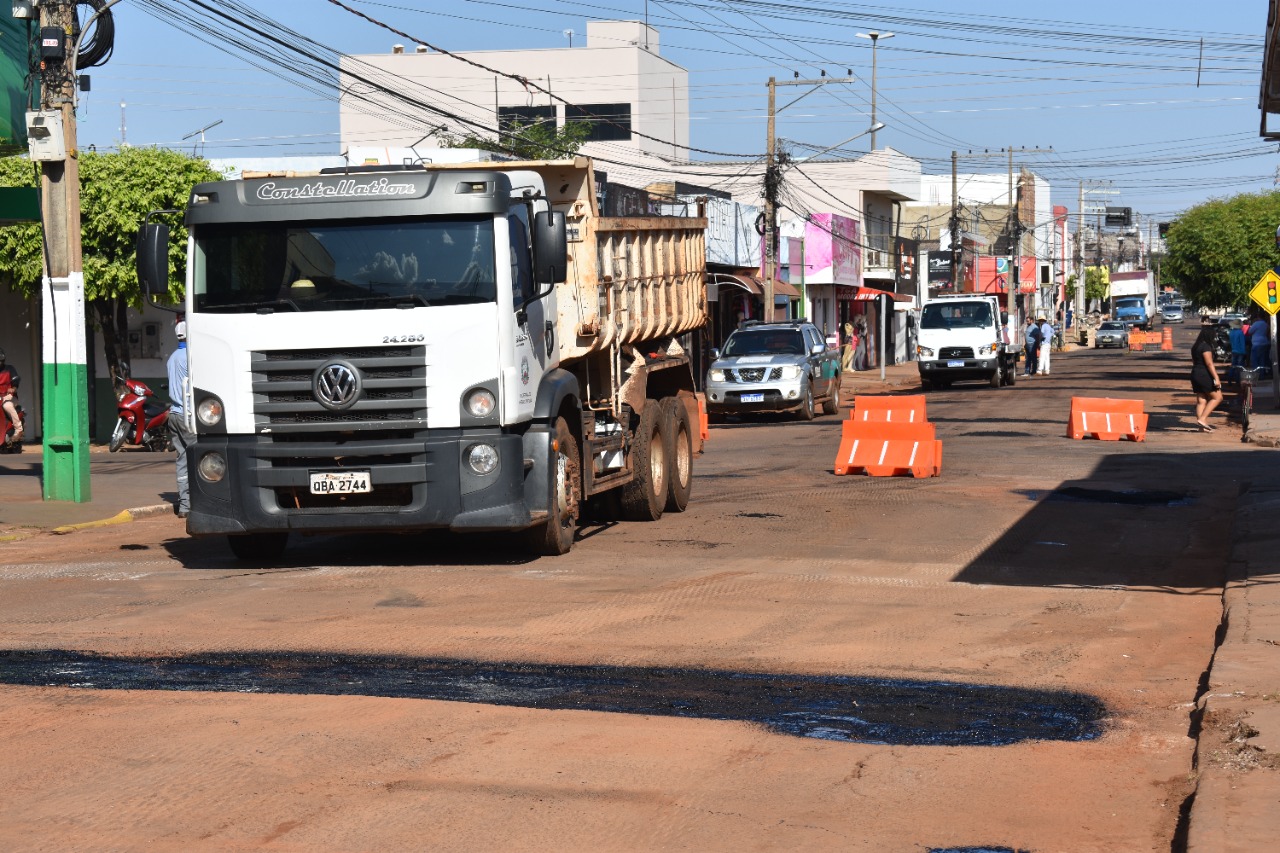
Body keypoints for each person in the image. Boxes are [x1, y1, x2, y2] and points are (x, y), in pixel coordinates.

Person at [166, 320, 195, 518]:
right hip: (189, 416)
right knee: (199, 459)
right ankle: (202, 502)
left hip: (174, 415)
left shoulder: (172, 358)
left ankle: (185, 506)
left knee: (182, 460)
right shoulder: (191, 357)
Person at [1190, 321, 1223, 431]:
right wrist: (1216, 378)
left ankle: (1201, 427)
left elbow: (1195, 362)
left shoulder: (1195, 346)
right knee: (1217, 397)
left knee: (1201, 400)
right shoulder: (1206, 347)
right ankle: (1203, 419)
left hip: (1195, 373)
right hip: (1204, 374)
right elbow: (1209, 364)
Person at [0, 347, 21, 442]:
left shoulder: (10, 369)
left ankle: (18, 429)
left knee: (7, 406)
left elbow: (16, 381)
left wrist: (13, 388)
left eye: (1, 361)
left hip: (10, 397)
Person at [1229, 319, 1247, 384]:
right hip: (1240, 351)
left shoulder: (1231, 332)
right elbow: (1242, 343)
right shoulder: (1240, 332)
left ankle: (1230, 379)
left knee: (1233, 365)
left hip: (1234, 350)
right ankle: (1238, 380)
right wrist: (1244, 352)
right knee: (1240, 366)